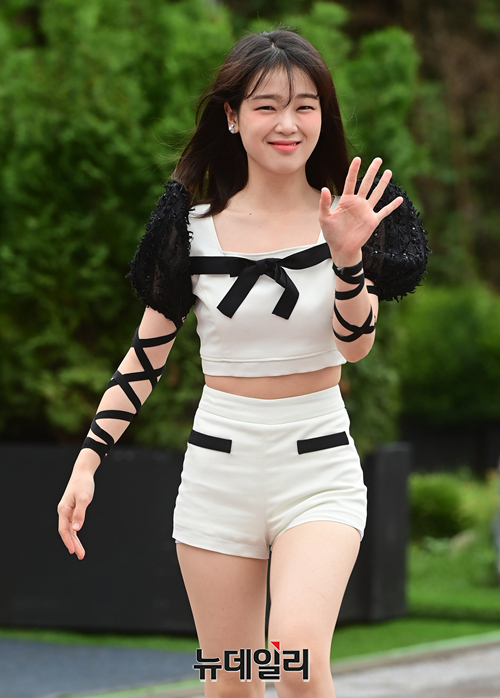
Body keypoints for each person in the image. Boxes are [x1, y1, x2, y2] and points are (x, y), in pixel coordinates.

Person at [58, 29, 428, 698]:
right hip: (217, 471)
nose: (288, 124)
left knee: (296, 660)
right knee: (229, 681)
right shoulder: (190, 230)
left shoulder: (347, 218)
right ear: (231, 117)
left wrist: (347, 259)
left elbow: (356, 344)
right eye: (267, 106)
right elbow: (145, 358)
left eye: (305, 106)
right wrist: (88, 461)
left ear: (323, 117)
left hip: (318, 466)